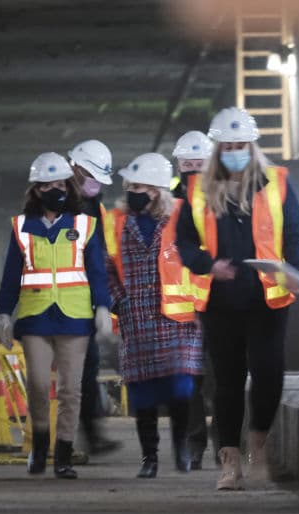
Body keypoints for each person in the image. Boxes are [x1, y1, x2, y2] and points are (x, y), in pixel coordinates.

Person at [176, 107, 299, 491]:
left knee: (268, 374)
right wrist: (206, 264)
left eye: (241, 145)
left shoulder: (278, 183)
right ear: (217, 150)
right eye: (228, 145)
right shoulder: (199, 190)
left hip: (268, 297)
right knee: (228, 383)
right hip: (221, 301)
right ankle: (230, 462)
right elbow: (184, 240)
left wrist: (295, 269)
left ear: (252, 147)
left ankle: (259, 447)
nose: (235, 151)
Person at [0, 152, 112, 479]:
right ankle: (39, 446)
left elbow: (97, 272)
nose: (55, 189)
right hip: (35, 318)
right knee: (36, 384)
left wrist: (103, 306)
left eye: (60, 183)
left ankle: (63, 454)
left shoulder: (84, 225)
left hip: (75, 318)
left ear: (69, 186)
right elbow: (11, 274)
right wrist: (4, 312)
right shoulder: (21, 227)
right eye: (47, 184)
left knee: (71, 389)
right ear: (36, 190)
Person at [105, 153, 203, 477]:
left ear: (159, 190)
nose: (135, 192)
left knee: (180, 389)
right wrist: (119, 302)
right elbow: (104, 265)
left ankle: (182, 450)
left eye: (142, 187)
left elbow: (201, 262)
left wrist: (201, 304)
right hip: (137, 317)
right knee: (142, 392)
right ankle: (150, 458)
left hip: (178, 317)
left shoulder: (183, 216)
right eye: (131, 186)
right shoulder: (116, 220)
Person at [68, 139, 121, 456]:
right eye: (92, 175)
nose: (96, 184)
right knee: (69, 375)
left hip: (83, 301)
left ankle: (89, 435)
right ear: (76, 168)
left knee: (85, 371)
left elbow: (98, 259)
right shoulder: (52, 200)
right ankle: (66, 441)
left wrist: (103, 303)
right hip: (55, 303)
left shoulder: (94, 206)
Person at [172, 130, 215, 468]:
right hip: (183, 307)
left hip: (221, 302)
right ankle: (195, 445)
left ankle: (229, 447)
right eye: (187, 167)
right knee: (190, 381)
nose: (192, 173)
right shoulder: (167, 201)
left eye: (198, 166)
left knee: (224, 378)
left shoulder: (224, 196)